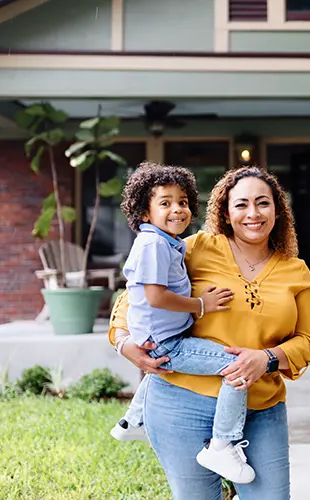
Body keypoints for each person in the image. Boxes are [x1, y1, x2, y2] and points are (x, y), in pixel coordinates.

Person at [109, 165, 310, 500]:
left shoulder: (296, 271)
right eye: (241, 204)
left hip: (260, 407)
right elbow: (134, 296)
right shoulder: (197, 247)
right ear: (225, 210)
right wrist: (123, 342)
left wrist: (265, 359)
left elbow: (306, 343)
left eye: (263, 203)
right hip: (180, 404)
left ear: (278, 211)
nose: (253, 213)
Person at [109, 162, 256, 483]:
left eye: (183, 202)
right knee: (236, 367)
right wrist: (201, 305)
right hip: (167, 341)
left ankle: (132, 421)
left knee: (164, 370)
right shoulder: (153, 245)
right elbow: (155, 297)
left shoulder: (166, 242)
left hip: (162, 335)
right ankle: (222, 443)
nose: (177, 209)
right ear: (144, 213)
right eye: (165, 203)